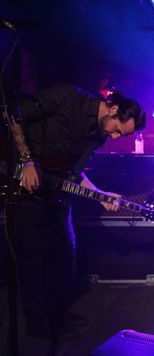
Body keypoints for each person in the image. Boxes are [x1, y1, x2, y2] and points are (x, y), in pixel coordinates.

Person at [8, 83, 146, 340]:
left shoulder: (98, 134)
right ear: (113, 109)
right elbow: (14, 113)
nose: (114, 138)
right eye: (117, 130)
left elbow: (72, 172)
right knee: (33, 257)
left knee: (64, 252)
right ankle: (37, 326)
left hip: (55, 191)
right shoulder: (68, 97)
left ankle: (57, 316)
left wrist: (99, 194)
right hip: (23, 182)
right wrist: (26, 160)